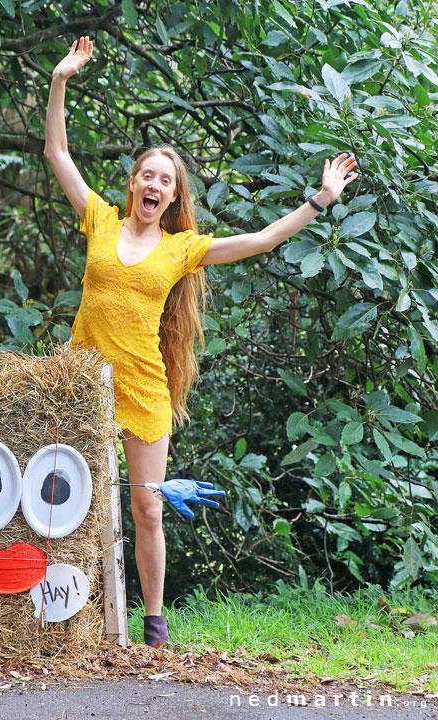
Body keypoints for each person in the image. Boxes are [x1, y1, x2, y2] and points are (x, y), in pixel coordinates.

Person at [43, 37, 358, 647]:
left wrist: (320, 200)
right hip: (80, 384)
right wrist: (60, 80)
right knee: (69, 503)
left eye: (166, 180)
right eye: (147, 175)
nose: (154, 184)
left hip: (142, 390)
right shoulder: (100, 220)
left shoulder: (182, 249)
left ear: (172, 197)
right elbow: (56, 149)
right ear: (132, 184)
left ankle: (154, 623)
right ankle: (67, 617)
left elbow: (264, 239)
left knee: (148, 508)